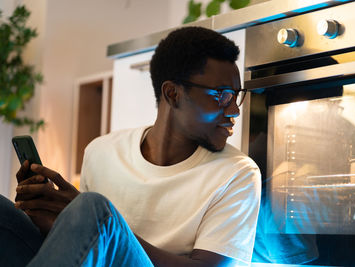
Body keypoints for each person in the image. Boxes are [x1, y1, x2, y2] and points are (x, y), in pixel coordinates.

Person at [0, 26, 261, 267]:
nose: (235, 110)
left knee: (94, 208)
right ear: (173, 94)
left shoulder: (237, 173)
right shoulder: (101, 152)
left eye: (237, 96)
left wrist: (107, 226)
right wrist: (54, 223)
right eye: (223, 95)